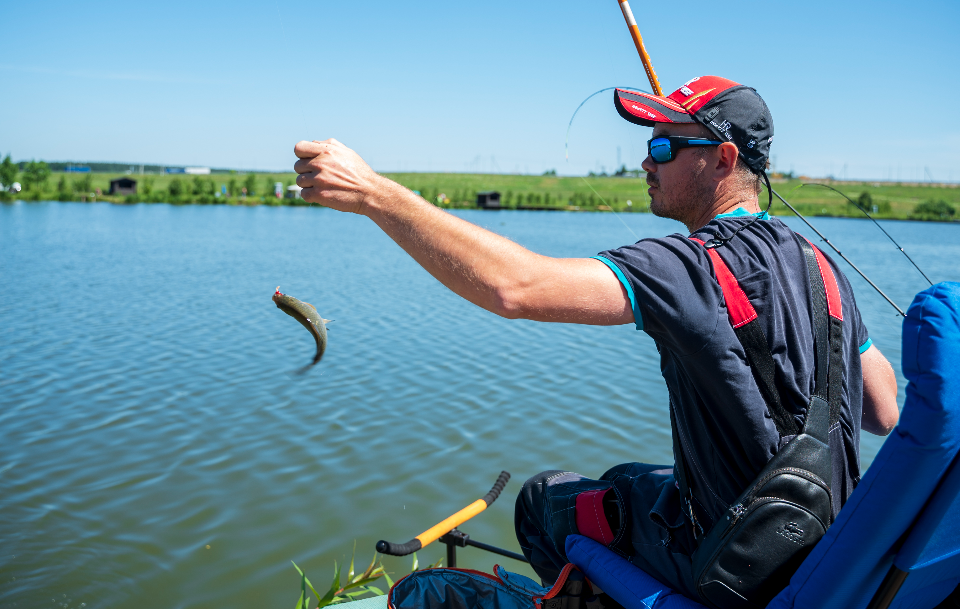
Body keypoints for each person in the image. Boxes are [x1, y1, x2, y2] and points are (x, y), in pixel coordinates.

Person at [292, 75, 900, 599]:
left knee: (542, 502)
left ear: (721, 159)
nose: (645, 162)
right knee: (626, 478)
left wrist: (374, 194)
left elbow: (516, 288)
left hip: (737, 565)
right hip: (818, 543)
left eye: (663, 146)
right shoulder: (823, 267)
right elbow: (881, 408)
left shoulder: (686, 265)